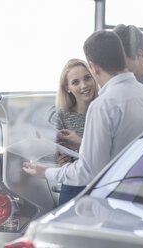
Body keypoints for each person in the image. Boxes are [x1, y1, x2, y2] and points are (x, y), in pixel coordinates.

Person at [23, 31, 143, 198]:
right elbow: (121, 153)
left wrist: (46, 172)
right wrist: (80, 144)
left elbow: (88, 172)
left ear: (94, 68)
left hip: (113, 201)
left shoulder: (102, 106)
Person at [54, 58, 99, 205]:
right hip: (73, 186)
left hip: (102, 185)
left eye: (87, 78)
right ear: (67, 88)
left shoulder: (104, 110)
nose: (84, 85)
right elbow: (56, 157)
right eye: (75, 82)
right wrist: (60, 163)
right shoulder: (62, 116)